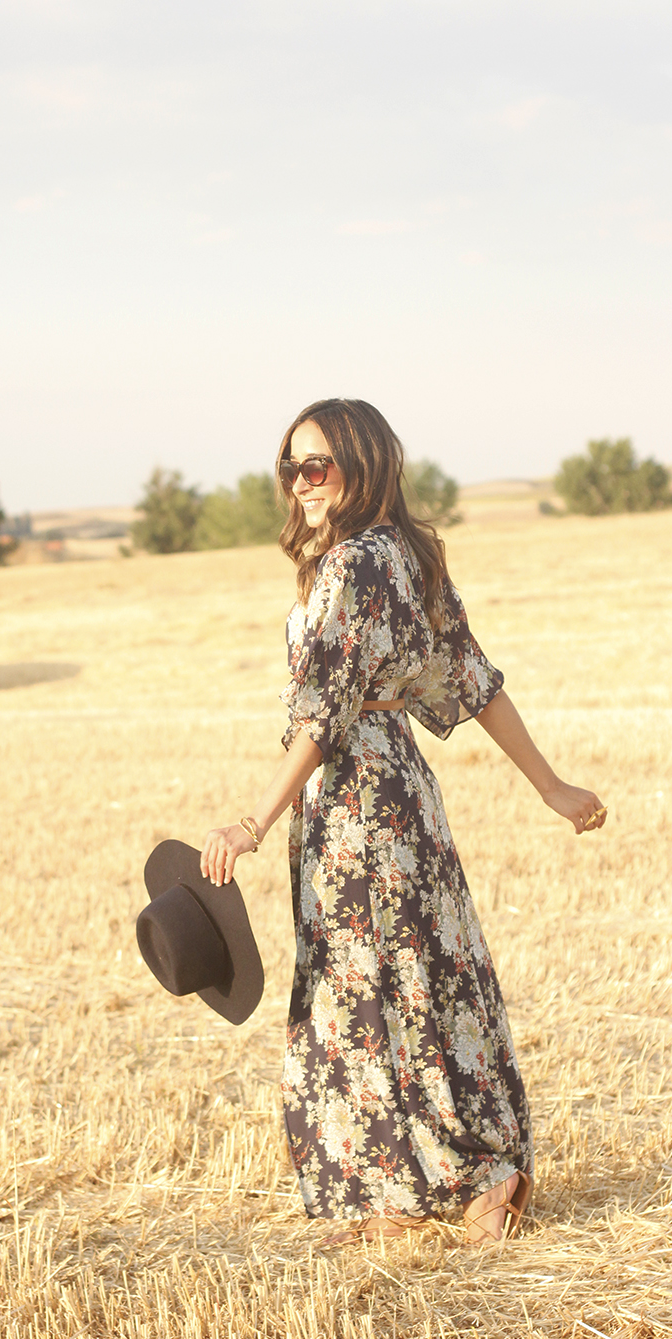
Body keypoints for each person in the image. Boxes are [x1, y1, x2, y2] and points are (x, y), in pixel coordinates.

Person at [200, 399, 606, 1246]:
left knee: (371, 987)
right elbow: (476, 683)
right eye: (291, 466)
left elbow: (325, 715)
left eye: (319, 466)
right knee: (415, 976)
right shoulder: (407, 555)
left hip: (354, 801)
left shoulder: (355, 565)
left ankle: (472, 1179)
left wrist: (251, 823)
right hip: (397, 793)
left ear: (364, 462)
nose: (302, 483)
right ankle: (409, 1185)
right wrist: (550, 784)